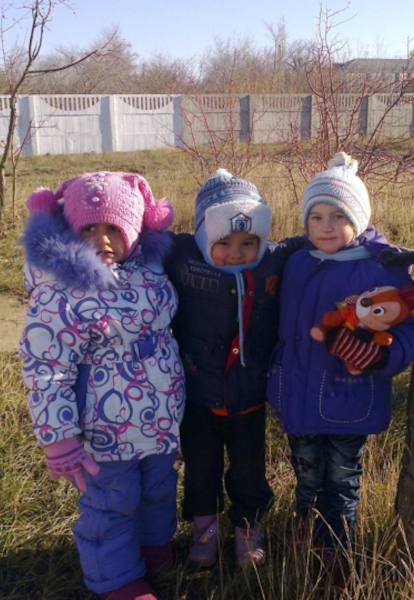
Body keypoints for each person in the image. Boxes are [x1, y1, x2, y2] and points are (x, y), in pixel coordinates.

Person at [17, 171, 185, 600]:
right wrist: (59, 436)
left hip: (159, 419)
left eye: (113, 227)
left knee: (157, 487)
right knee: (111, 500)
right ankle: (118, 579)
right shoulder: (61, 291)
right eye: (89, 228)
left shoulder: (148, 269)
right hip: (103, 429)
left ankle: (151, 546)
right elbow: (47, 366)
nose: (102, 239)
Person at [266, 152, 414, 588]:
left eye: (339, 216)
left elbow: (410, 327)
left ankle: (336, 545)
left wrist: (381, 357)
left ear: (358, 217)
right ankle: (306, 527)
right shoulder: (296, 261)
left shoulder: (380, 267)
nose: (326, 226)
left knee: (341, 477)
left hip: (348, 395)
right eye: (316, 216)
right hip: (297, 393)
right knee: (305, 471)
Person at [163, 169, 303, 568]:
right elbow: (139, 239)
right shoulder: (184, 258)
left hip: (249, 397)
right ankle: (204, 529)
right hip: (198, 395)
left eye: (247, 242)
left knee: (249, 470)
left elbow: (319, 239)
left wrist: (369, 242)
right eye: (223, 243)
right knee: (200, 468)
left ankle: (248, 527)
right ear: (203, 237)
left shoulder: (273, 261)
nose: (236, 252)